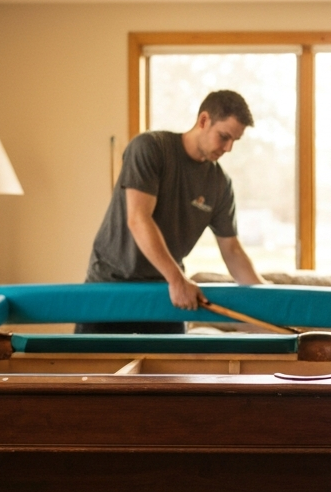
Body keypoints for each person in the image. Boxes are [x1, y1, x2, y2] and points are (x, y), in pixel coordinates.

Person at [79, 89, 265, 335]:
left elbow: (231, 250)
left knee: (172, 373)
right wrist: (177, 279)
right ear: (203, 120)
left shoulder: (220, 184)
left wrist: (268, 298)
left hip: (164, 293)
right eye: (224, 136)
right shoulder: (150, 149)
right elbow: (138, 218)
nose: (228, 148)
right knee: (93, 371)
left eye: (234, 141)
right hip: (111, 287)